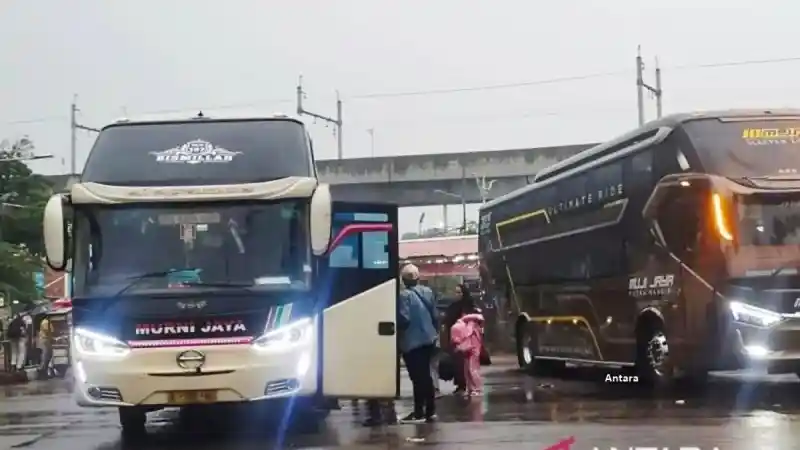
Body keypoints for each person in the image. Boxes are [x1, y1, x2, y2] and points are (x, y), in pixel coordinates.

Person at [397, 264, 439, 423]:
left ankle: (418, 413)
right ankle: (430, 411)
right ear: (418, 277)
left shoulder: (404, 296)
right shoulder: (427, 292)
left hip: (412, 342)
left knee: (417, 378)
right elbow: (435, 315)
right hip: (429, 339)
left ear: (403, 280)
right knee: (426, 376)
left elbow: (404, 318)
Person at [443, 284, 479, 395]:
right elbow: (447, 320)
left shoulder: (469, 306)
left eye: (459, 292)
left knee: (469, 364)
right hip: (455, 339)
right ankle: (461, 384)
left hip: (467, 339)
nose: (457, 295)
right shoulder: (453, 306)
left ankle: (471, 386)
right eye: (456, 292)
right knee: (458, 363)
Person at [450, 311, 485, 396]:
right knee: (470, 369)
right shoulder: (472, 324)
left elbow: (456, 340)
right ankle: (473, 388)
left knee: (470, 369)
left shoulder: (457, 326)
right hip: (473, 348)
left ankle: (475, 389)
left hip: (470, 348)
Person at [37, 315, 54, 379]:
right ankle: (42, 372)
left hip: (45, 340)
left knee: (47, 355)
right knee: (45, 356)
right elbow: (47, 331)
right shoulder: (45, 322)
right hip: (45, 340)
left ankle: (44, 371)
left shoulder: (46, 322)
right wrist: (51, 336)